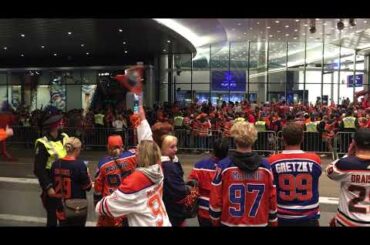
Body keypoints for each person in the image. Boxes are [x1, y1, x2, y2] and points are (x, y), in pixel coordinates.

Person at [96, 104, 171, 227]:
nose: (135, 149)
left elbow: (101, 206)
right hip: (161, 221)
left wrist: (100, 203)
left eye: (137, 149)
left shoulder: (132, 180)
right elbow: (149, 146)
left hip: (119, 204)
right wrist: (142, 120)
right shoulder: (158, 169)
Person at [209, 121, 277, 227]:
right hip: (259, 222)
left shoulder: (224, 166)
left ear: (235, 139)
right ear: (254, 139)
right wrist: (273, 220)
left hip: (230, 222)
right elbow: (272, 197)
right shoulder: (266, 166)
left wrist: (215, 219)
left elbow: (215, 198)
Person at [267, 122, 321, 226]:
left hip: (282, 215)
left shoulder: (272, 161)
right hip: (308, 215)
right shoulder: (314, 159)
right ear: (302, 138)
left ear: (283, 139)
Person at [326, 128, 370, 227]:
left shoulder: (345, 164)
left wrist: (348, 155)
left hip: (347, 220)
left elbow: (329, 171)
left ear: (354, 143)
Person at [33, 111, 69, 227]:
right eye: (60, 121)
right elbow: (38, 169)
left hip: (66, 181)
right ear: (54, 125)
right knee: (52, 216)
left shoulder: (65, 137)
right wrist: (48, 187)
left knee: (66, 216)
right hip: (52, 182)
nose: (62, 122)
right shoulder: (42, 143)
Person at [94, 135, 137, 227]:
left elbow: (97, 188)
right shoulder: (132, 156)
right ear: (122, 146)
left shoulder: (102, 163)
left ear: (108, 147)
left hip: (112, 203)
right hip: (129, 200)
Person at [51, 137, 92, 226]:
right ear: (77, 150)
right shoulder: (80, 165)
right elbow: (87, 187)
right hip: (76, 208)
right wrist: (88, 174)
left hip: (60, 206)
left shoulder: (55, 164)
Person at [187, 138, 229, 226]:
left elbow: (191, 183)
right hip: (224, 210)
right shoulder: (230, 167)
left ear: (213, 150)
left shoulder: (200, 165)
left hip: (204, 209)